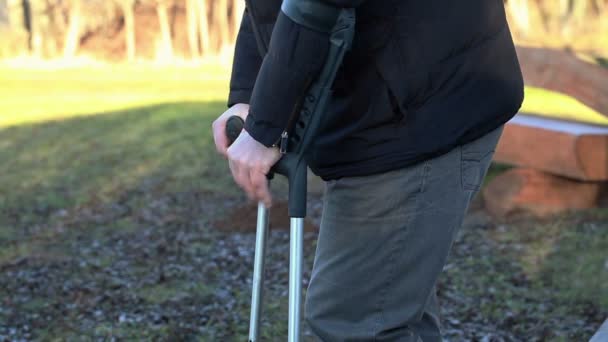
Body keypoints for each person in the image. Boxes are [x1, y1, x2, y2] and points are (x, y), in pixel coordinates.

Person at [212, 0, 524, 340]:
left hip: (419, 109)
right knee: (388, 310)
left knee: (353, 319)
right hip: (394, 99)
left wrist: (265, 124)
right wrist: (247, 94)